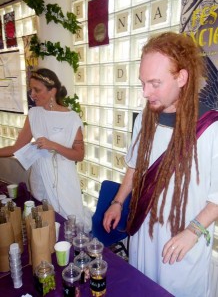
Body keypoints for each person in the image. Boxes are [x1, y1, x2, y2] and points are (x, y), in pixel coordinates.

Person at [103, 32, 218, 297]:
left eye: (155, 83)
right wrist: (118, 202)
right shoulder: (146, 119)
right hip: (144, 235)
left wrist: (193, 231)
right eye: (143, 83)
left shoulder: (211, 127)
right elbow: (136, 165)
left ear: (181, 78)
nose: (146, 93)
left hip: (183, 241)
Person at [0, 68, 86, 223]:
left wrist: (53, 145)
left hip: (64, 180)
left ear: (52, 91)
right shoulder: (34, 114)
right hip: (40, 178)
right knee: (43, 222)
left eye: (37, 90)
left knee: (68, 224)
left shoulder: (71, 118)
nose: (32, 95)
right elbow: (16, 149)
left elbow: (79, 155)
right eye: (31, 89)